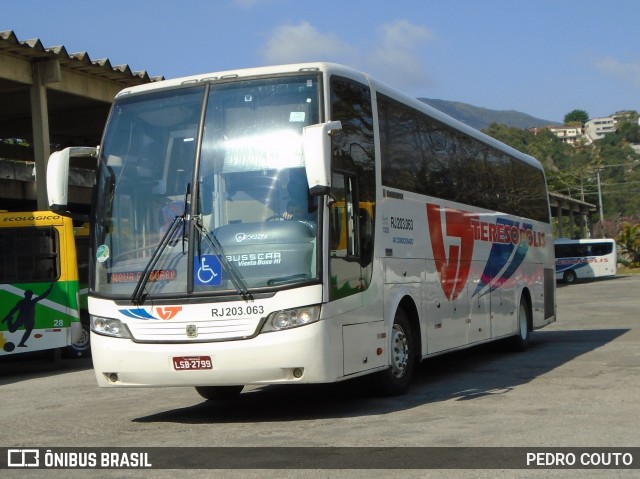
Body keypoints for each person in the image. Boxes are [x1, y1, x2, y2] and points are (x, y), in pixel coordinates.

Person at [1, 283, 54, 348]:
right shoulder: (23, 302)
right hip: (22, 319)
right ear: (26, 295)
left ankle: (21, 343)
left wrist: (50, 289)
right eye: (28, 294)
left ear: (30, 295)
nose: (29, 296)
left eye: (30, 295)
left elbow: (43, 296)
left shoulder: (32, 301)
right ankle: (9, 320)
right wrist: (6, 318)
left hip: (28, 320)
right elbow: (13, 310)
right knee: (12, 330)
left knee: (28, 330)